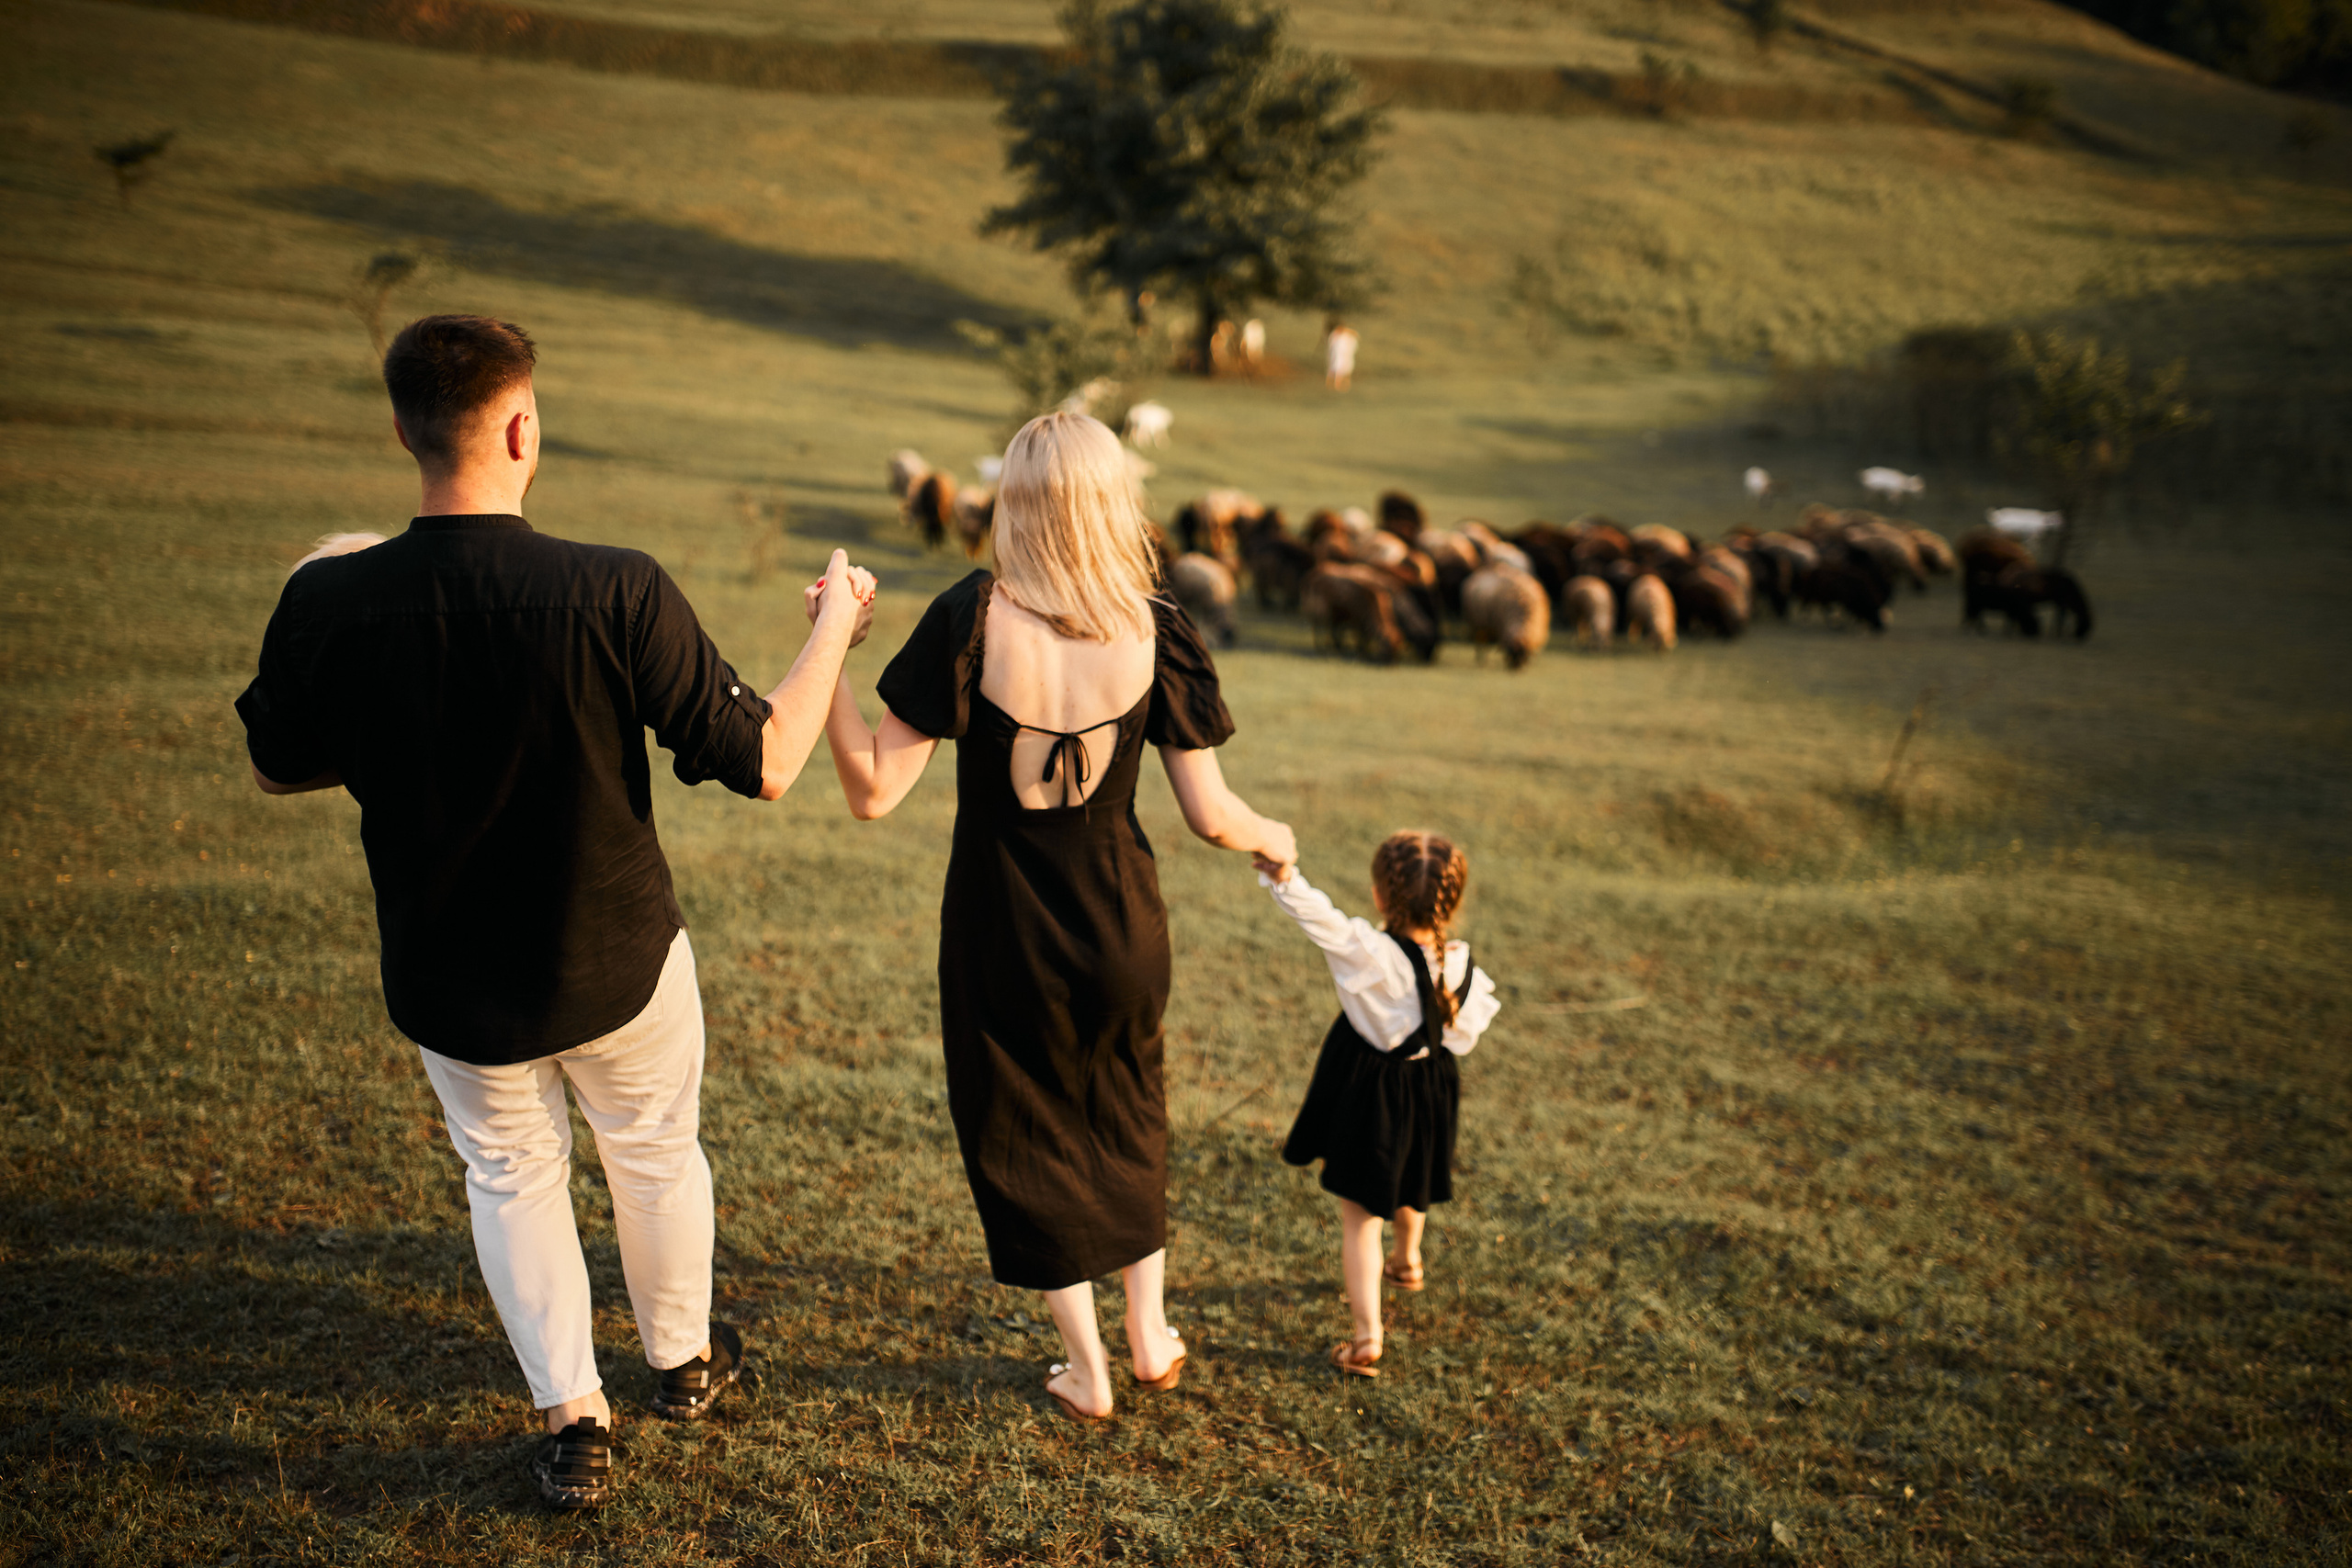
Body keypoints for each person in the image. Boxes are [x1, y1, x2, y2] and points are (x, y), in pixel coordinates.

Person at [234, 314, 877, 1511]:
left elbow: (276, 766)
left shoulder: (328, 596)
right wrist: (836, 619)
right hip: (618, 958)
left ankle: (573, 1419)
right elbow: (771, 760)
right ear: (524, 429)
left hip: (448, 973)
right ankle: (682, 1364)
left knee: (510, 1174)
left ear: (403, 432)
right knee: (653, 1151)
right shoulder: (612, 585)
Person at [813, 411, 1296, 1422]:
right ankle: (1150, 1335)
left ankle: (1087, 1369)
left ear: (1016, 504)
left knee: (1023, 1129)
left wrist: (830, 658)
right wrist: (1274, 835)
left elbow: (872, 792)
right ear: (1112, 501)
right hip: (1124, 924)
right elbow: (1214, 816)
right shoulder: (1157, 622)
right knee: (1129, 1107)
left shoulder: (971, 616)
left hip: (1003, 932)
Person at [1260, 831, 1498, 1377]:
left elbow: (1320, 919)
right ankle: (1408, 1261)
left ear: (1379, 895)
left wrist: (1283, 878)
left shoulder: (1370, 952)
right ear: (1452, 902)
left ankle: (1368, 1338)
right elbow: (1463, 1038)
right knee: (1415, 1173)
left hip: (1371, 1093)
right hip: (1431, 1086)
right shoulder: (1463, 965)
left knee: (1362, 1218)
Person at [1324, 318, 1359, 391]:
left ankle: (1344, 383)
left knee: (1346, 367)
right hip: (1338, 355)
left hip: (1344, 355)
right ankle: (1336, 384)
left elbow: (1355, 336)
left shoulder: (1345, 335)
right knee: (1336, 368)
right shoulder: (1335, 335)